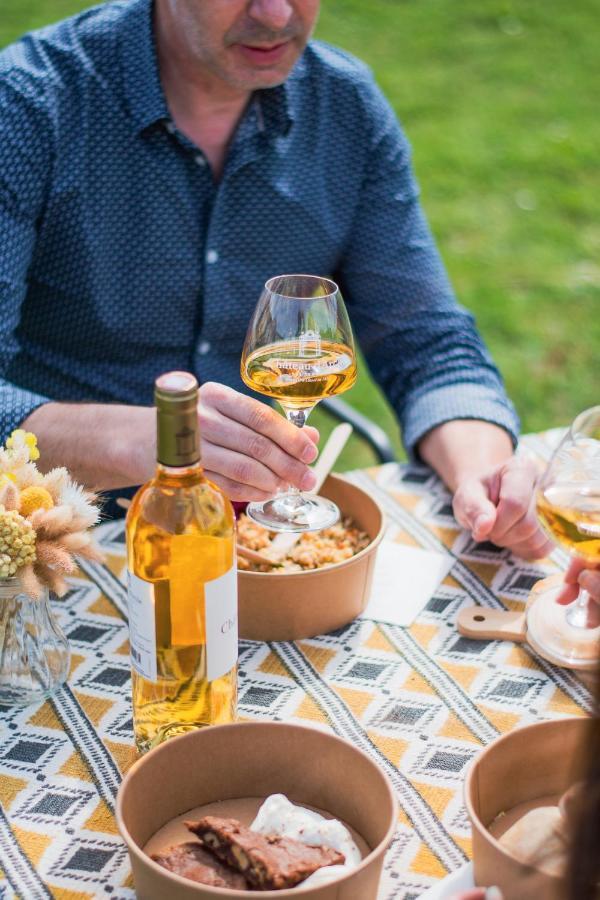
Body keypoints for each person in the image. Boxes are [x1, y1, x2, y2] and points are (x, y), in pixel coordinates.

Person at [0, 0, 550, 556]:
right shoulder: (27, 103)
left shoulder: (346, 107)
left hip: (257, 539)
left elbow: (427, 341)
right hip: (58, 535)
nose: (276, 13)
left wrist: (484, 473)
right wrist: (152, 439)